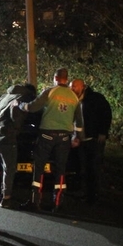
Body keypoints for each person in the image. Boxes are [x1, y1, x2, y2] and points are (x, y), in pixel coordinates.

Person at [18, 68, 83, 211]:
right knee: (60, 169)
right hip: (64, 138)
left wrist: (20, 105)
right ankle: (58, 202)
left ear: (55, 78)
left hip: (47, 135)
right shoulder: (74, 97)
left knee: (39, 167)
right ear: (66, 79)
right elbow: (79, 121)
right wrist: (78, 137)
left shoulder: (50, 92)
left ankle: (36, 201)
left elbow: (33, 107)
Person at [0, 83, 36, 208]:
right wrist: (17, 129)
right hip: (8, 137)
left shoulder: (4, 97)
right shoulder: (20, 99)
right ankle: (6, 198)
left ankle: (2, 194)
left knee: (3, 167)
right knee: (9, 169)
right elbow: (16, 118)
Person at [70, 79, 112, 204]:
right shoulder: (73, 100)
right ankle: (84, 192)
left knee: (94, 167)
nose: (73, 89)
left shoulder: (96, 99)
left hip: (93, 139)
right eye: (71, 86)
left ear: (83, 86)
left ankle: (94, 194)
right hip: (80, 140)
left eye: (75, 87)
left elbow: (106, 114)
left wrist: (103, 132)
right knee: (83, 167)